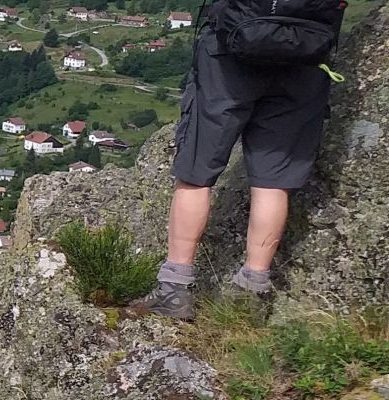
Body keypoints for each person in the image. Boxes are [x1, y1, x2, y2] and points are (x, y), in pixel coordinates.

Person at [136, 0, 348, 320]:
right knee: (273, 181)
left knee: (196, 170)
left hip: (230, 52)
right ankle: (251, 292)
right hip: (304, 53)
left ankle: (175, 289)